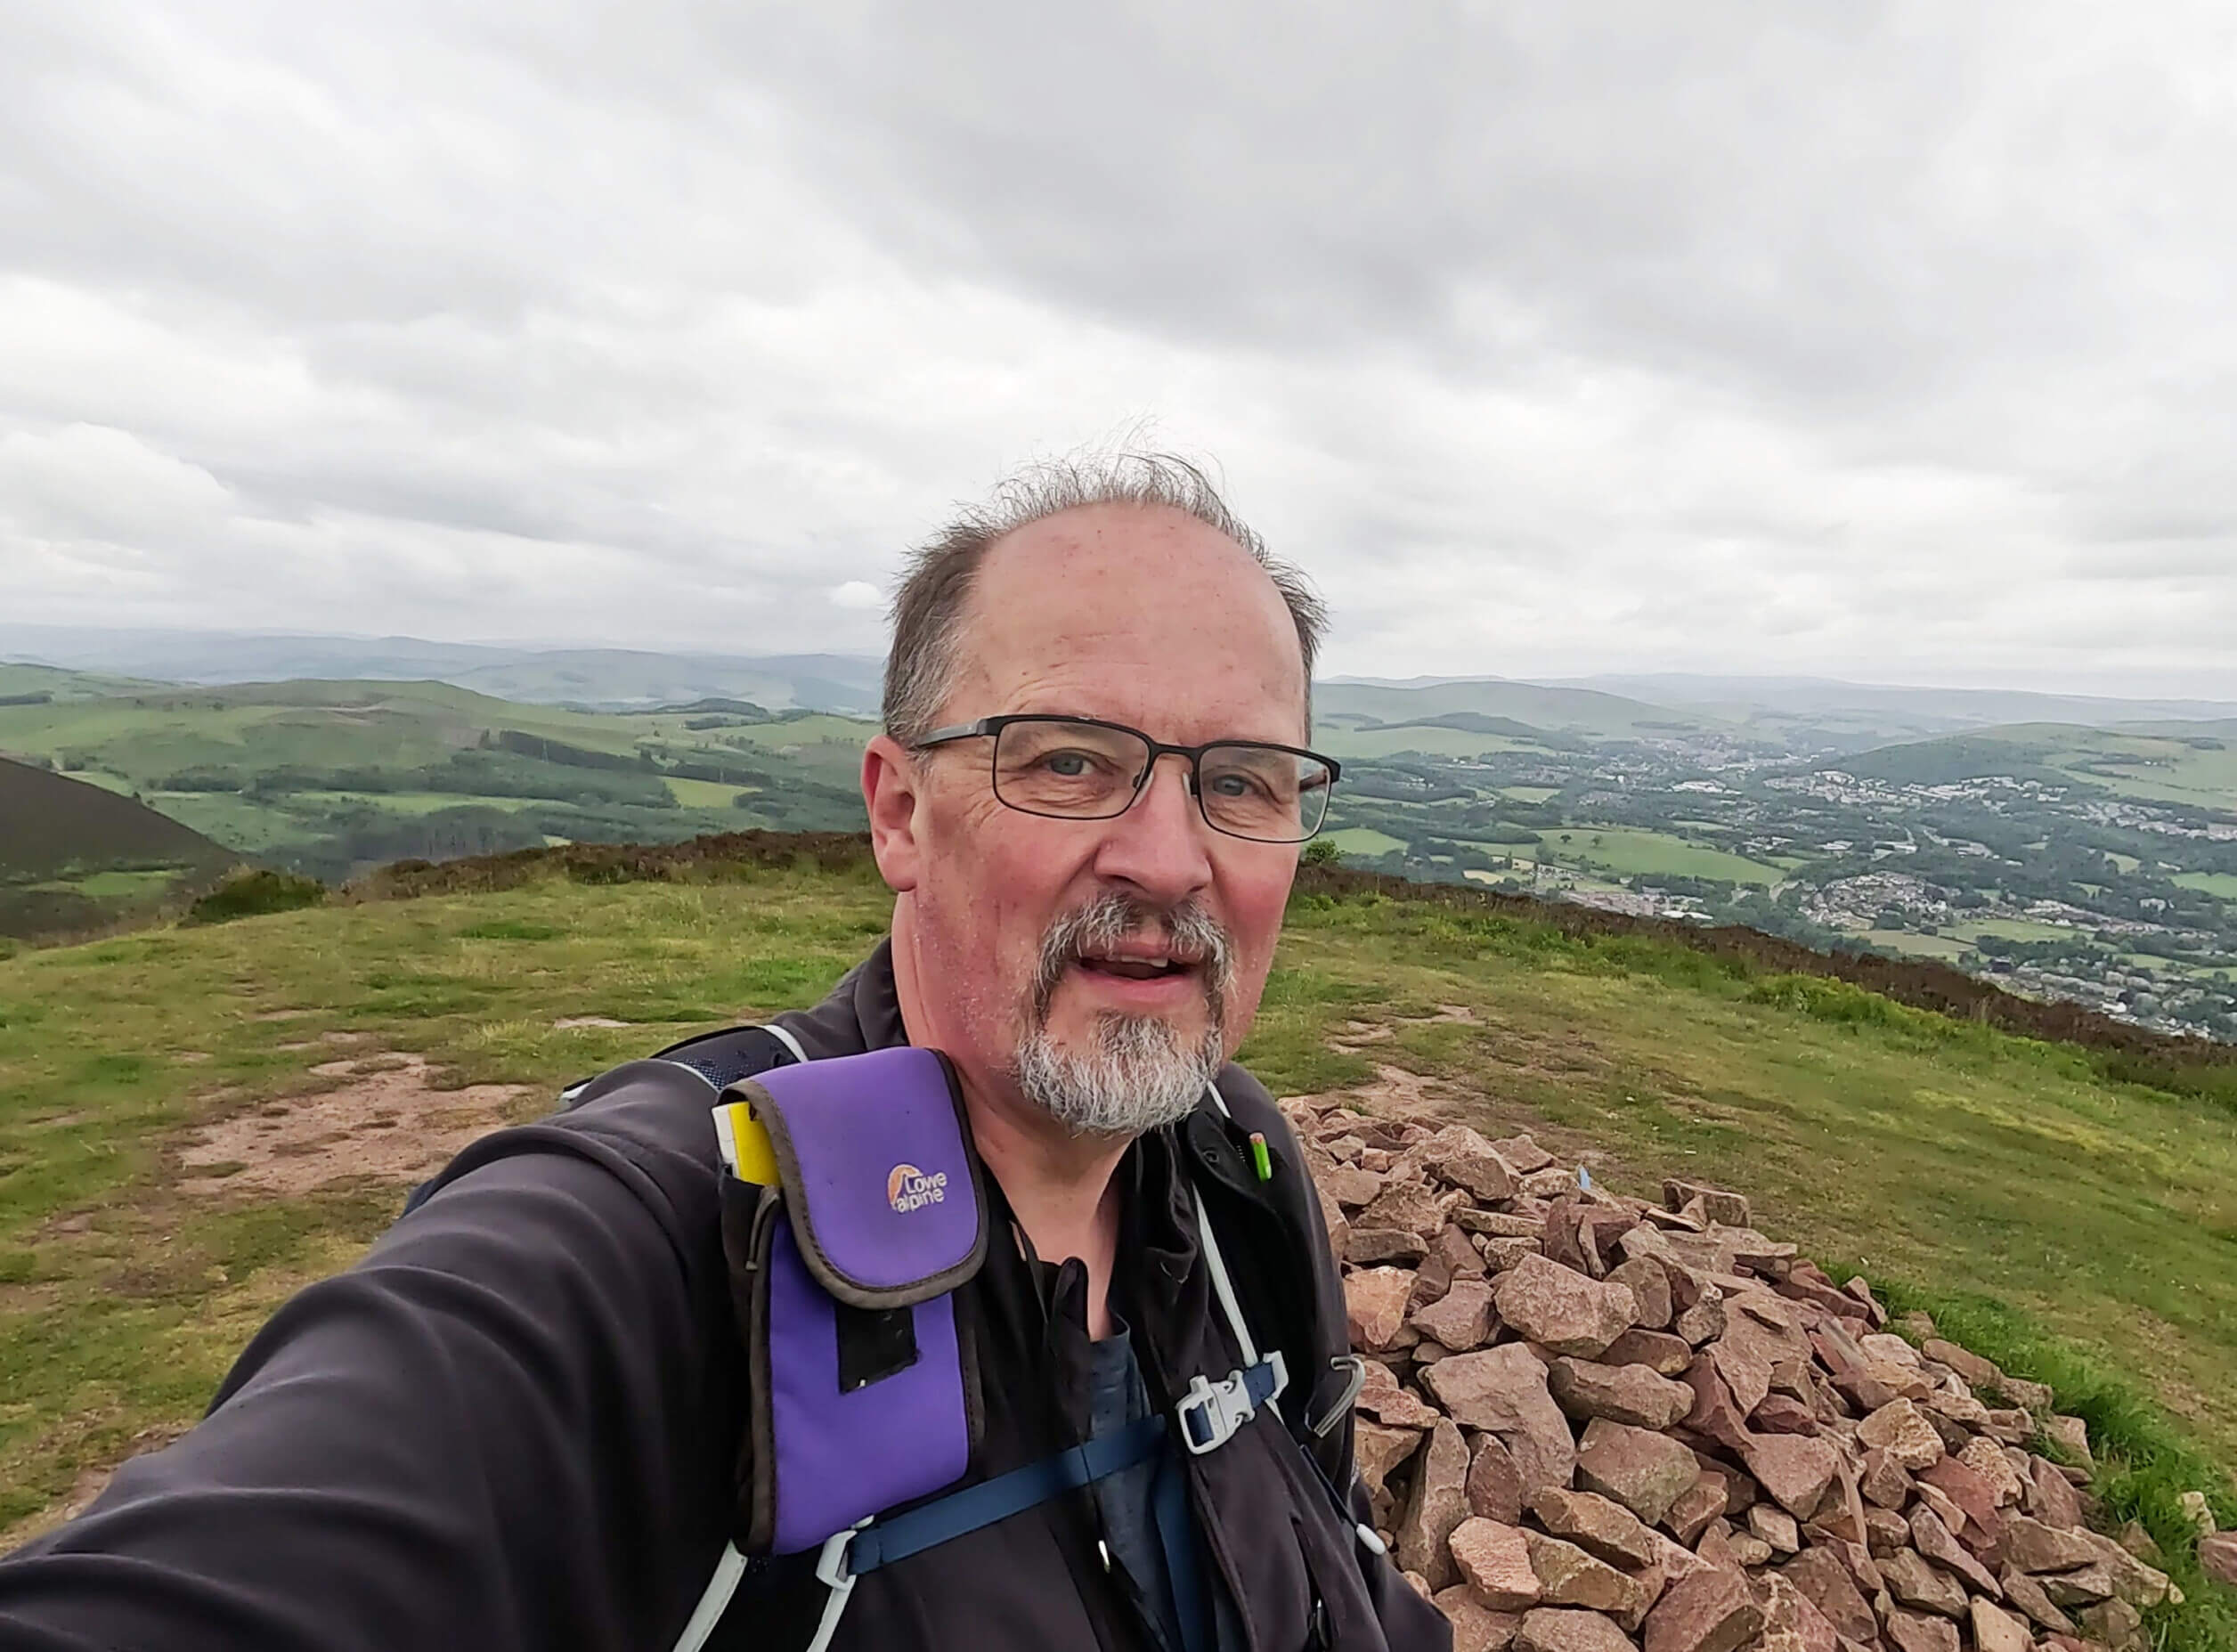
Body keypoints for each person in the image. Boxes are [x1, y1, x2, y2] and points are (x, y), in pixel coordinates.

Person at [0, 452, 1452, 1652]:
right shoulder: (651, 1243)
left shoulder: (1233, 1171)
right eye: (1069, 757)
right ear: (899, 812)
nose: (1169, 857)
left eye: (1243, 782)